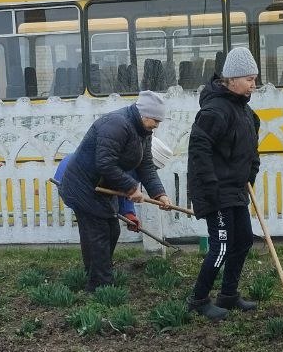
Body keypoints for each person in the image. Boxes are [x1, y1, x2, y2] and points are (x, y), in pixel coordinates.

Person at [57, 91, 172, 293]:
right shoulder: (117, 125)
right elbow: (105, 163)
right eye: (155, 120)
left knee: (111, 231)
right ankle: (100, 286)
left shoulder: (143, 132)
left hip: (101, 188)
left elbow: (146, 166)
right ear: (144, 114)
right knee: (99, 234)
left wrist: (159, 194)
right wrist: (131, 187)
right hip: (84, 186)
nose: (157, 125)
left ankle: (96, 275)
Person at [187, 47, 262, 321]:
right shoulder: (214, 111)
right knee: (220, 246)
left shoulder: (246, 112)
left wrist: (251, 173)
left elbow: (251, 148)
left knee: (243, 241)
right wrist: (210, 187)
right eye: (249, 79)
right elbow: (199, 150)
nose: (254, 85)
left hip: (236, 189)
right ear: (231, 80)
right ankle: (198, 300)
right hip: (216, 190)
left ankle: (228, 294)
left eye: (255, 79)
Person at [53, 136, 174, 237]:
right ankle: (97, 259)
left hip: (82, 182)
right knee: (99, 231)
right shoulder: (126, 161)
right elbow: (123, 188)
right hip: (73, 182)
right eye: (153, 168)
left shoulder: (130, 160)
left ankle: (101, 258)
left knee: (112, 230)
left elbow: (124, 190)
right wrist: (129, 212)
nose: (152, 171)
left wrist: (129, 214)